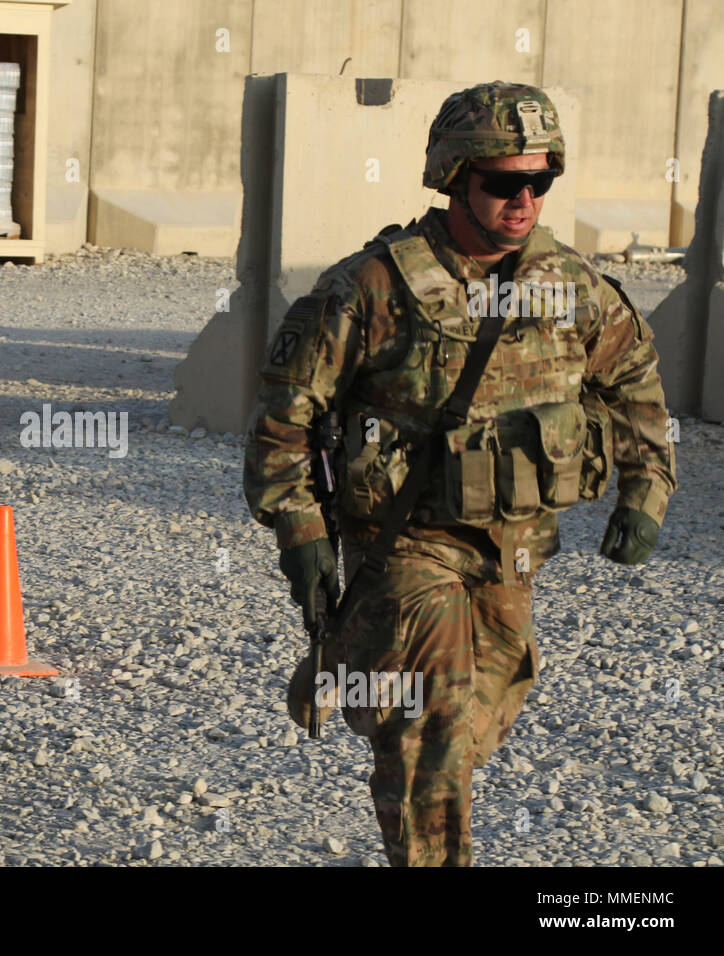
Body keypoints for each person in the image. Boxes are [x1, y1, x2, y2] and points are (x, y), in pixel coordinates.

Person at [243, 81, 676, 866]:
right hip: (409, 550)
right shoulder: (373, 287)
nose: (523, 200)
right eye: (503, 182)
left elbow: (634, 381)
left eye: (539, 182)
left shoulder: (570, 285)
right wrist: (302, 536)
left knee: (480, 720)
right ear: (454, 177)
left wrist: (646, 490)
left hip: (513, 551)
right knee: (430, 739)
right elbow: (285, 420)